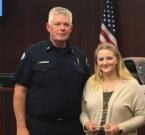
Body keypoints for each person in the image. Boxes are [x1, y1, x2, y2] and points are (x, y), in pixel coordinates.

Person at [13, 7, 89, 135]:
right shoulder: (33, 53)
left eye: (66, 24)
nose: (62, 28)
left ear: (71, 28)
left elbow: (88, 90)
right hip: (39, 127)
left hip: (72, 127)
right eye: (57, 24)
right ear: (48, 27)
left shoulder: (79, 56)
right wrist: (20, 126)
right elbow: (20, 90)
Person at [80, 43, 145, 135]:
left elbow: (143, 117)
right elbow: (83, 112)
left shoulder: (132, 85)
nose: (105, 63)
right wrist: (86, 124)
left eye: (109, 58)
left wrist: (120, 128)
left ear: (117, 60)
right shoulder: (90, 83)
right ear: (97, 62)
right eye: (101, 59)